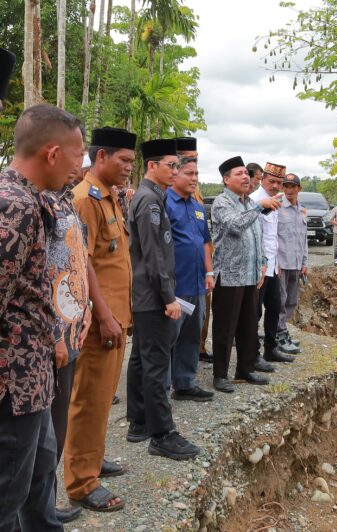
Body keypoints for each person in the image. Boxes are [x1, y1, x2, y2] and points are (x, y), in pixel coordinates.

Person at [0, 103, 84, 532]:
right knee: (7, 499)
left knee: (36, 477)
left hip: (33, 378)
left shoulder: (32, 200)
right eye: (77, 154)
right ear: (53, 154)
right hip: (13, 385)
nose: (79, 165)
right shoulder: (14, 206)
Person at [66, 126, 137, 513]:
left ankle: (92, 460)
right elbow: (83, 264)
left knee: (103, 399)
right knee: (89, 401)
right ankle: (80, 482)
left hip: (116, 318)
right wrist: (105, 316)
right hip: (99, 322)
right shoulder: (86, 199)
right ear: (102, 157)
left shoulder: (108, 197)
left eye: (132, 161)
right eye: (124, 160)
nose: (130, 167)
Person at [126, 138, 200, 461]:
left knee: (143, 360)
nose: (175, 171)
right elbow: (153, 255)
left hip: (147, 295)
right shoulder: (149, 201)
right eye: (171, 165)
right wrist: (168, 296)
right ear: (152, 166)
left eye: (177, 165)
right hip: (153, 297)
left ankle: (140, 421)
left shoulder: (151, 197)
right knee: (156, 364)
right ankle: (162, 434)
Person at [44, 166, 93, 525]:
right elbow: (40, 272)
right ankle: (39, 508)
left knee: (56, 427)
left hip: (72, 329)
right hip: (51, 339)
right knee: (43, 433)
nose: (81, 161)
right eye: (77, 153)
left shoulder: (66, 199)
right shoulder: (38, 203)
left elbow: (77, 261)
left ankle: (45, 503)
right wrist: (57, 335)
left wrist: (87, 306)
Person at [211, 156, 275, 393]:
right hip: (229, 276)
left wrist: (263, 262)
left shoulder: (248, 203)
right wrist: (261, 206)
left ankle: (245, 370)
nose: (245, 177)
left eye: (246, 173)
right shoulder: (222, 203)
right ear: (226, 180)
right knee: (225, 328)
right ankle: (220, 375)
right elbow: (235, 226)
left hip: (251, 275)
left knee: (249, 325)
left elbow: (257, 236)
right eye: (239, 174)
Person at [165, 155, 215, 401]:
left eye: (197, 174)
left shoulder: (197, 207)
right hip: (174, 284)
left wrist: (209, 271)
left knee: (192, 335)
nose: (194, 178)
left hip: (197, 282)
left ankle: (185, 383)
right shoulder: (165, 202)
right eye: (189, 173)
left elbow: (205, 241)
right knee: (168, 337)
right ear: (176, 174)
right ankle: (160, 390)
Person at [250, 162, 297, 362]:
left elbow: (272, 237)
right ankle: (252, 354)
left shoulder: (276, 200)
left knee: (275, 307)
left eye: (280, 182)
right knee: (254, 312)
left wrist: (276, 263)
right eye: (272, 181)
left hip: (271, 266)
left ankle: (271, 349)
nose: (276, 186)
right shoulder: (254, 200)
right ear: (262, 180)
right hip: (256, 268)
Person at [276, 173, 309, 352]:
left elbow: (303, 240)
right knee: (280, 300)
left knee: (291, 301)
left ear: (299, 189)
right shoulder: (278, 208)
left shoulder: (302, 210)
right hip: (282, 263)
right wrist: (274, 262)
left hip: (296, 264)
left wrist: (305, 262)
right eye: (286, 186)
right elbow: (272, 236)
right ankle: (279, 335)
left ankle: (282, 331)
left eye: (293, 186)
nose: (289, 190)